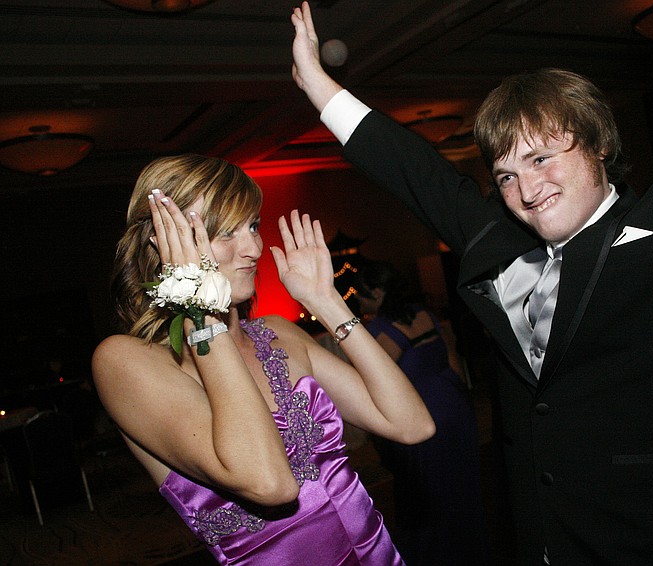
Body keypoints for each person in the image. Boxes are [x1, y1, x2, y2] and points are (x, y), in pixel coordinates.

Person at [291, 0, 653, 563]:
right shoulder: (501, 243)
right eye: (506, 175)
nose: (527, 189)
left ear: (598, 143)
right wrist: (319, 86)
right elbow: (418, 174)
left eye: (542, 157)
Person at [91, 154, 435, 565]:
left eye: (252, 225)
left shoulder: (278, 332)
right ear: (163, 246)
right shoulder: (125, 362)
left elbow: (412, 425)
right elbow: (270, 483)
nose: (254, 247)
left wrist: (325, 301)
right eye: (223, 233)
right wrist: (200, 312)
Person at [354, 259, 489, 565]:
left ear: (376, 293)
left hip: (421, 417)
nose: (359, 302)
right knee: (462, 489)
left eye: (361, 295)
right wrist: (463, 401)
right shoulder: (424, 313)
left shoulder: (379, 330)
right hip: (454, 407)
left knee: (424, 496)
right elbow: (452, 358)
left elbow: (374, 386)